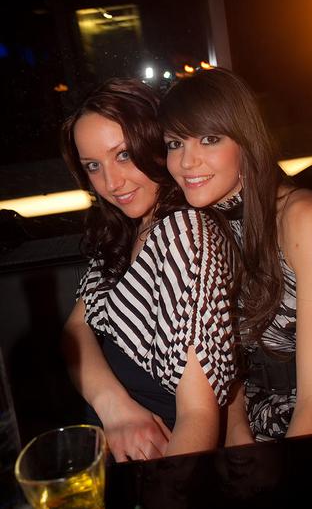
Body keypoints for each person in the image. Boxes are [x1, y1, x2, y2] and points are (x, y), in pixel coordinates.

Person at [158, 67, 312, 442]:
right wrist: (237, 435)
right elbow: (231, 369)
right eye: (175, 143)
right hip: (258, 419)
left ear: (247, 141)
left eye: (209, 139)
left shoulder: (305, 219)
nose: (186, 161)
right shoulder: (205, 226)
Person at [60, 77, 242, 460]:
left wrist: (169, 486)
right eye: (93, 166)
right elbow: (75, 328)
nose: (112, 183)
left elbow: (198, 414)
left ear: (154, 143)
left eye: (124, 154)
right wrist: (115, 408)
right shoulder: (128, 226)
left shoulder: (183, 232)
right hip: (110, 438)